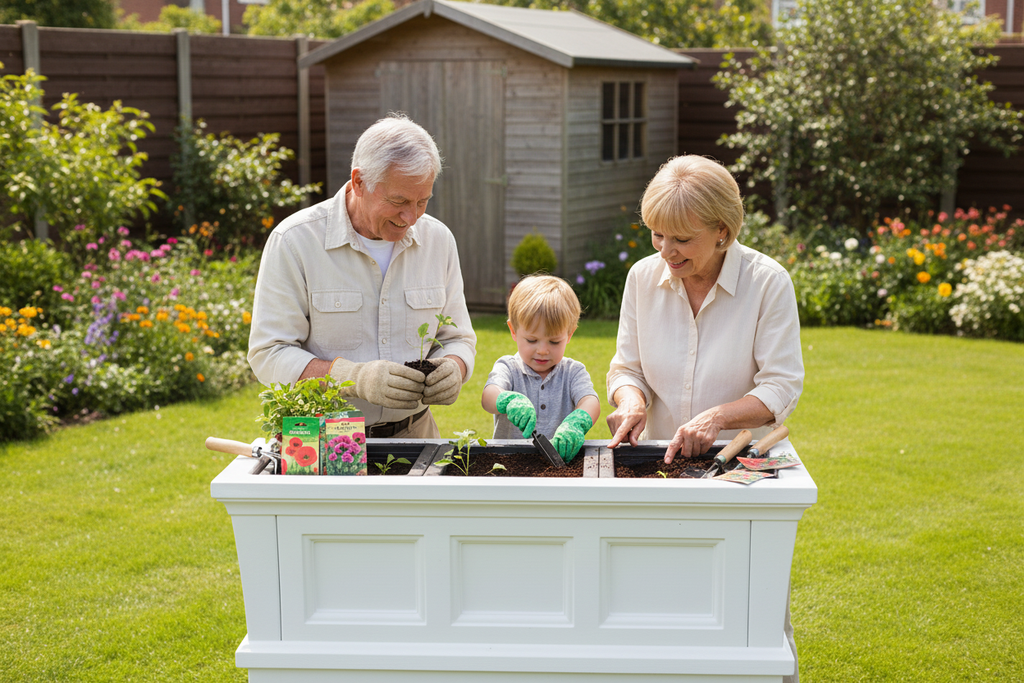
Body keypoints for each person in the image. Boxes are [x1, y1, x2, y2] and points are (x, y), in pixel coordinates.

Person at [604, 155, 803, 682]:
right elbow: (627, 367)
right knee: (655, 606)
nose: (666, 251)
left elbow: (781, 386)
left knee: (752, 618)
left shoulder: (768, 282)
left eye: (681, 240)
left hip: (746, 470)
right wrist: (632, 402)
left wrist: (716, 417)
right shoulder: (642, 279)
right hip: (662, 465)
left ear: (723, 232)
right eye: (656, 235)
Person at [248, 114, 476, 439]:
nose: (410, 217)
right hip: (326, 440)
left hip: (417, 435)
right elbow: (268, 352)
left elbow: (458, 337)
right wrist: (351, 377)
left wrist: (455, 365)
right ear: (358, 182)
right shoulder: (296, 241)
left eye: (422, 201)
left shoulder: (438, 241)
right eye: (398, 201)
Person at [481, 275, 600, 463]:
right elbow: (488, 396)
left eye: (554, 341)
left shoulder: (573, 372)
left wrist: (577, 423)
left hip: (560, 464)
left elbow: (590, 401)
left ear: (569, 334)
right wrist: (508, 400)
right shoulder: (508, 367)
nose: (542, 350)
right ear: (513, 331)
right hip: (509, 464)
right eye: (532, 340)